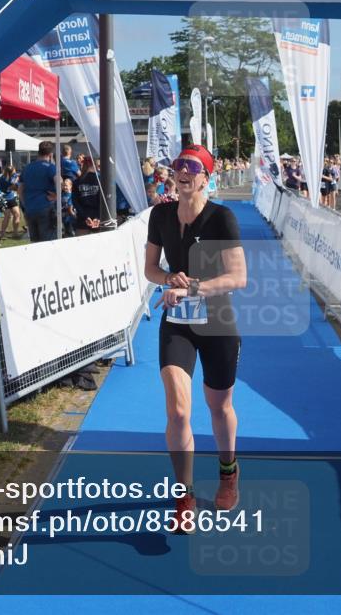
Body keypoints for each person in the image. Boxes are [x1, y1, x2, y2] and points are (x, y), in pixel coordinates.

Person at [143, 144, 247, 533]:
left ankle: (228, 471)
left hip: (217, 322)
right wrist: (169, 279)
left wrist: (194, 287)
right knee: (179, 411)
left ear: (206, 177)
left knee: (219, 408)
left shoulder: (222, 218)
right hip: (178, 324)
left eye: (192, 167)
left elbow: (238, 277)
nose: (183, 171)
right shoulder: (161, 214)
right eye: (179, 165)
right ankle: (183, 496)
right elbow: (151, 269)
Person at [19, 141, 57, 243]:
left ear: (38, 152)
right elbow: (59, 181)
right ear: (50, 154)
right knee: (48, 242)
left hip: (30, 208)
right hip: (45, 207)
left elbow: (20, 189)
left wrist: (25, 204)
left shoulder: (27, 168)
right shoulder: (50, 167)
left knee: (35, 242)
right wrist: (57, 195)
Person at [73, 156, 102, 235]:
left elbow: (75, 201)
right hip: (98, 218)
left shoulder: (77, 181)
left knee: (81, 245)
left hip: (82, 218)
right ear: (96, 165)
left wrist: (85, 216)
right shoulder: (101, 180)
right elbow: (103, 201)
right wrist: (97, 217)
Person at [0, 165, 24, 237]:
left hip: (11, 197)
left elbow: (16, 183)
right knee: (7, 216)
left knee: (17, 214)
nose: (15, 172)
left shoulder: (13, 176)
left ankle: (15, 233)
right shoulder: (3, 179)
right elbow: (14, 187)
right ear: (11, 172)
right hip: (3, 198)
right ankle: (2, 234)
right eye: (14, 170)